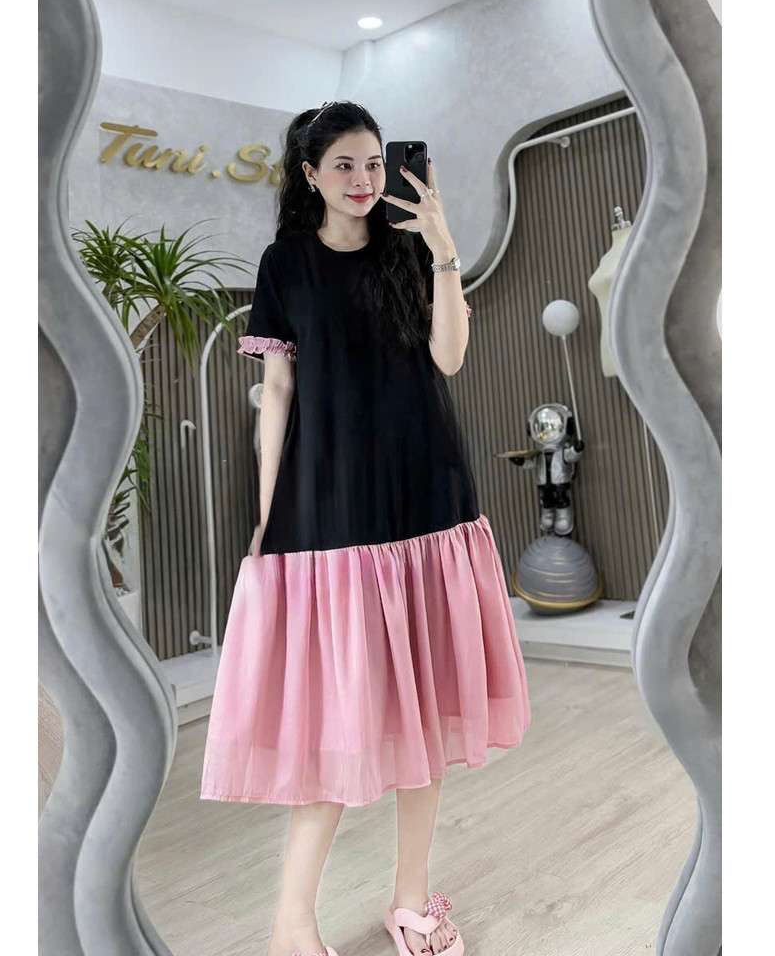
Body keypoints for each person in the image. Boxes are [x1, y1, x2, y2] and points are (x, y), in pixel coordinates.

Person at [200, 101, 532, 956]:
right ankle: (291, 924)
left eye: (375, 162)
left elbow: (449, 357)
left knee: (428, 711)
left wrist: (443, 245)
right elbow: (277, 393)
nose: (363, 179)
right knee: (337, 723)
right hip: (331, 504)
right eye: (344, 164)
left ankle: (411, 900)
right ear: (309, 174)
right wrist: (267, 513)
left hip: (427, 494)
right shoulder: (285, 263)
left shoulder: (409, 250)